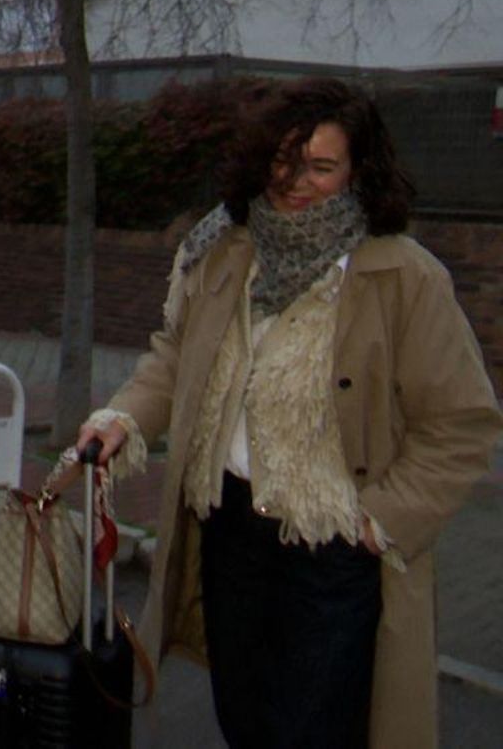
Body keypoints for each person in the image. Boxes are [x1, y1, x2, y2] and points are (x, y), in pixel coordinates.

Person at [77, 77, 501, 748]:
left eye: (321, 166)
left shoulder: (404, 276)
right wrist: (123, 419)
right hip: (231, 530)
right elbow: (174, 357)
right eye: (283, 160)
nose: (296, 180)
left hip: (334, 547)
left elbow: (463, 422)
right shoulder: (224, 249)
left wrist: (381, 521)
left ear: (359, 172)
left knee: (308, 731)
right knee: (243, 716)